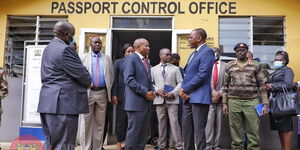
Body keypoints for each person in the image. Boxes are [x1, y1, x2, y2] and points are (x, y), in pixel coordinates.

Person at [38, 21, 91, 150]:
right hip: (63, 105)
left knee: (51, 143)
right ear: (67, 34)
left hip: (48, 103)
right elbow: (84, 76)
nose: (73, 38)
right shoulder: (65, 49)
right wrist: (88, 81)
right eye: (72, 35)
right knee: (64, 144)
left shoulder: (49, 48)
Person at [222, 43, 269, 150]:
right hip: (233, 102)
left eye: (242, 50)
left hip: (252, 102)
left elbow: (262, 85)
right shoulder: (229, 66)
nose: (240, 52)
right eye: (237, 50)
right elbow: (225, 86)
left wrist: (265, 104)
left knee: (253, 130)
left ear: (247, 51)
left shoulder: (256, 65)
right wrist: (224, 103)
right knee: (235, 131)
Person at [179, 28, 215, 150]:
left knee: (199, 131)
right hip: (188, 98)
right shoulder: (193, 53)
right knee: (186, 129)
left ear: (198, 38)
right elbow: (188, 75)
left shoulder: (208, 52)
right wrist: (184, 91)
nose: (188, 40)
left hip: (199, 97)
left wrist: (185, 89)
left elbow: (202, 75)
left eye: (190, 37)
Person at [80, 36, 114, 150]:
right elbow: (79, 75)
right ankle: (86, 147)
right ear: (90, 44)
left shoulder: (107, 58)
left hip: (102, 93)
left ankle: (97, 147)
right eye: (95, 42)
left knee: (100, 123)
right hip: (88, 93)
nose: (98, 45)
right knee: (86, 122)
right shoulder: (83, 57)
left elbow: (111, 76)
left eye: (99, 43)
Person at [123, 38, 156, 150]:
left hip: (145, 103)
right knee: (134, 134)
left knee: (142, 134)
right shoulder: (131, 59)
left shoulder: (146, 61)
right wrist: (145, 92)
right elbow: (129, 80)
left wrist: (152, 91)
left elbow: (146, 80)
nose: (149, 48)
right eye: (146, 46)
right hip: (135, 103)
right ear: (138, 47)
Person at [151, 48, 183, 150]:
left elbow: (180, 83)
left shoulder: (175, 69)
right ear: (161, 56)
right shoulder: (153, 69)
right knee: (161, 123)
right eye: (167, 55)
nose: (170, 56)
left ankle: (179, 146)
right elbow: (150, 83)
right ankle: (161, 145)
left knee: (174, 123)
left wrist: (174, 93)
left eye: (170, 55)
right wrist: (156, 90)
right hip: (159, 100)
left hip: (172, 100)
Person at [266, 51, 294, 150]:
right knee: (280, 129)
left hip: (284, 103)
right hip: (276, 102)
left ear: (285, 61)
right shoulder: (276, 71)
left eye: (279, 60)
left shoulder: (287, 70)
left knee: (285, 128)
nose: (276, 61)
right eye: (276, 60)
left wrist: (272, 86)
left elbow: (288, 85)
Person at [112, 43, 134, 150]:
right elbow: (115, 79)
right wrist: (114, 94)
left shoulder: (136, 62)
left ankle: (128, 142)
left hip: (133, 95)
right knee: (121, 120)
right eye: (128, 51)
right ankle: (119, 142)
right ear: (124, 53)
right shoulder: (118, 62)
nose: (130, 53)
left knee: (131, 120)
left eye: (132, 51)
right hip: (121, 95)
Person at [205, 47, 227, 150]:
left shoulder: (226, 66)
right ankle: (208, 145)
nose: (214, 54)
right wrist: (213, 93)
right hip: (208, 98)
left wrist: (219, 93)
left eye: (215, 52)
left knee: (219, 123)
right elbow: (204, 80)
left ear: (219, 54)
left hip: (220, 98)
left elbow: (228, 82)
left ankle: (216, 145)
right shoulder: (206, 65)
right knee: (209, 123)